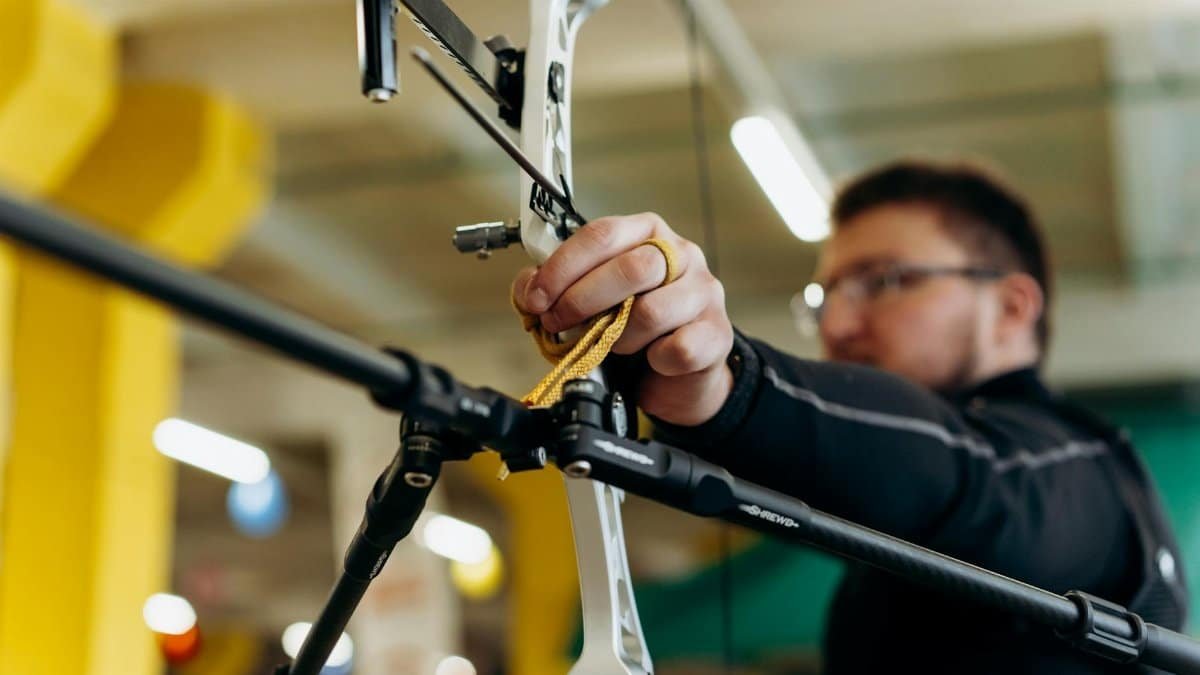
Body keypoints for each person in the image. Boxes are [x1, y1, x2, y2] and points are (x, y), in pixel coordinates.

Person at [511, 160, 1189, 674]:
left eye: (886, 280)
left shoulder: (1081, 474)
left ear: (1012, 306)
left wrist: (727, 385)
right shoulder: (897, 528)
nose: (837, 322)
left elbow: (962, 471)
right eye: (826, 294)